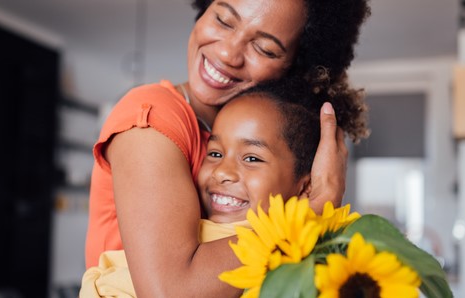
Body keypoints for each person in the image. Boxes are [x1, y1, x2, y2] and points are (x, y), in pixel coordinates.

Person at [84, 0, 371, 296]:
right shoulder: (152, 114)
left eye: (264, 48)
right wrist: (314, 208)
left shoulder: (264, 139)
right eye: (223, 20)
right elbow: (169, 292)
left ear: (296, 66)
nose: (227, 53)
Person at [81, 86, 323, 297]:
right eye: (215, 153)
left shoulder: (315, 254)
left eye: (251, 158)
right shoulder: (190, 236)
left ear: (305, 185)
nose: (222, 172)